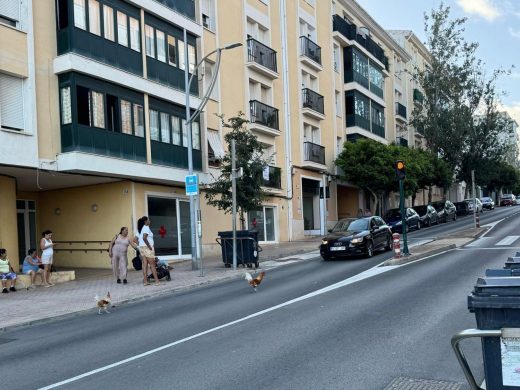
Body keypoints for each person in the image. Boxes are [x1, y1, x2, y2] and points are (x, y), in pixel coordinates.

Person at [137, 216, 160, 286]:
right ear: (145, 221)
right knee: (152, 265)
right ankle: (157, 281)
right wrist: (149, 247)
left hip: (142, 247)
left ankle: (145, 281)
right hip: (147, 248)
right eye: (148, 220)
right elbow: (144, 238)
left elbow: (139, 239)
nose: (149, 221)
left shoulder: (141, 228)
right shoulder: (146, 227)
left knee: (145, 265)